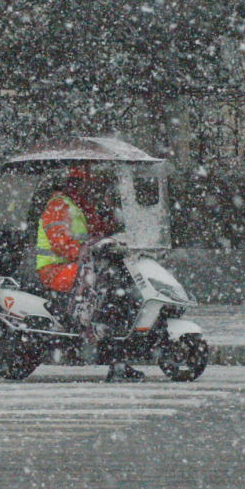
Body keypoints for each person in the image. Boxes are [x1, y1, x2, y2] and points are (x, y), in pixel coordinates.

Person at [36, 164, 145, 383]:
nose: (84, 188)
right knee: (103, 287)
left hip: (75, 264)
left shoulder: (80, 205)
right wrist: (88, 252)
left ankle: (115, 347)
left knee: (116, 283)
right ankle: (108, 348)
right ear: (68, 184)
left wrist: (116, 222)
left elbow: (98, 230)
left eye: (85, 183)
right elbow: (61, 244)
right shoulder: (58, 206)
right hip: (55, 269)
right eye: (78, 183)